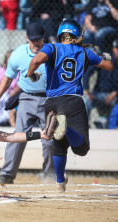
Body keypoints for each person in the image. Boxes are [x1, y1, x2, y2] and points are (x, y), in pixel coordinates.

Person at [26, 19, 113, 192]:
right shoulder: (84, 52)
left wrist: (31, 74)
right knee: (81, 148)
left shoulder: (52, 47)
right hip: (73, 101)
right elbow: (109, 66)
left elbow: (36, 61)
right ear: (77, 34)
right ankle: (65, 128)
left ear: (60, 34)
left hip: (51, 102)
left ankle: (60, 182)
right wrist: (104, 56)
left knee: (59, 145)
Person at [0, 22, 55, 185]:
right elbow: (8, 78)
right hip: (26, 98)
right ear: (27, 38)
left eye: (39, 39)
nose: (36, 43)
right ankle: (7, 173)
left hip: (49, 99)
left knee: (49, 140)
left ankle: (49, 174)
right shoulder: (18, 54)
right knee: (18, 135)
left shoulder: (52, 52)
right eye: (33, 40)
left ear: (44, 38)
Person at [82, 39, 118, 127]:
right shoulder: (107, 59)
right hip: (98, 94)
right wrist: (86, 89)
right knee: (86, 100)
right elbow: (88, 72)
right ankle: (84, 126)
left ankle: (111, 125)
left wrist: (115, 93)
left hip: (115, 97)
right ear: (114, 49)